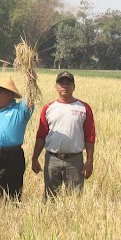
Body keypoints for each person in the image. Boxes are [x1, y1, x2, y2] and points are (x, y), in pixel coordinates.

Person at [31, 71, 96, 199]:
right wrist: (34, 158)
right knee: (50, 198)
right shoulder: (48, 108)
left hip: (75, 160)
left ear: (74, 87)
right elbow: (41, 136)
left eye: (68, 83)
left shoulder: (84, 108)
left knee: (75, 199)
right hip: (52, 160)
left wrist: (89, 161)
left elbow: (90, 137)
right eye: (61, 83)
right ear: (56, 87)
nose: (64, 86)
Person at [0, 75, 36, 200]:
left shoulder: (20, 110)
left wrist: (30, 75)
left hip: (11, 157)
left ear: (10, 95)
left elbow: (31, 95)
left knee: (12, 194)